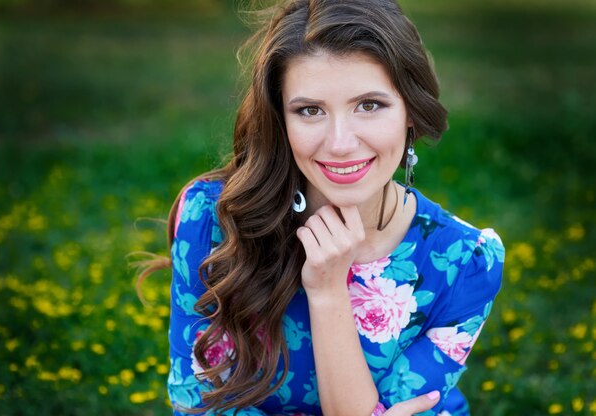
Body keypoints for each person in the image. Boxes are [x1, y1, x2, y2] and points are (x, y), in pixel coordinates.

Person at [137, 0, 505, 414]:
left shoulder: (465, 262)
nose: (340, 143)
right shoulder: (212, 220)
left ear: (411, 112)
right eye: (310, 110)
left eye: (369, 105)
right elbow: (196, 401)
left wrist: (328, 291)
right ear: (281, 120)